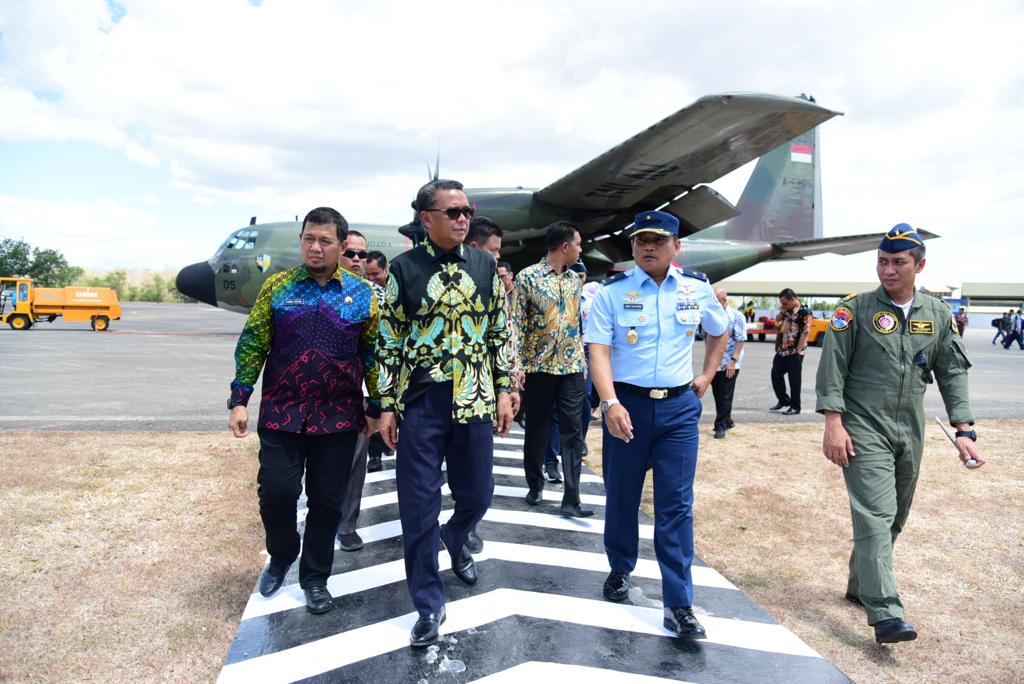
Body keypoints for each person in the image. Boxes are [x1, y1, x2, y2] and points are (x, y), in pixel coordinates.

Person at [816, 223, 984, 645]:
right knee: (875, 512)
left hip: (910, 425)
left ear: (919, 265)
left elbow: (952, 373)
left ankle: (861, 584)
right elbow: (832, 367)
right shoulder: (853, 310)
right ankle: (886, 611)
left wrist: (965, 430)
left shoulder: (938, 313)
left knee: (895, 516)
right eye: (882, 261)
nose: (888, 270)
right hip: (862, 422)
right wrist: (833, 423)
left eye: (898, 263)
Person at [377, 179, 515, 647]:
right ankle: (428, 603)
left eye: (466, 212)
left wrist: (503, 389)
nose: (462, 219)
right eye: (452, 211)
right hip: (422, 403)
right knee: (418, 508)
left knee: (478, 495)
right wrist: (386, 406)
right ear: (427, 219)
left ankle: (456, 538)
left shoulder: (485, 265)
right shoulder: (403, 268)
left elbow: (499, 330)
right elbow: (389, 341)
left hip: (475, 399)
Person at [227, 206, 380, 615]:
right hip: (282, 414)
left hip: (339, 417)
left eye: (325, 241)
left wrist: (379, 404)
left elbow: (373, 353)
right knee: (276, 493)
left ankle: (315, 577)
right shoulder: (278, 288)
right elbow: (253, 343)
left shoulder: (362, 294)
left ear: (342, 245)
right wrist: (239, 399)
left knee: (327, 502)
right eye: (309, 239)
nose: (315, 247)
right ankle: (281, 556)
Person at [587, 209, 727, 639]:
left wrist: (706, 375)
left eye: (658, 240)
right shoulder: (613, 293)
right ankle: (620, 567)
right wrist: (608, 403)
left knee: (676, 506)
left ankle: (679, 603)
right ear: (631, 247)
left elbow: (719, 330)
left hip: (679, 410)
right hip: (626, 407)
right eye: (641, 240)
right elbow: (598, 350)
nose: (648, 247)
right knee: (623, 497)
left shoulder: (696, 289)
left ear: (676, 247)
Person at [514, 221, 591, 517]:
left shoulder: (575, 281)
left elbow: (576, 323)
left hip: (570, 367)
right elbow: (517, 325)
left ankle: (572, 498)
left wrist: (582, 360)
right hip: (538, 368)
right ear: (565, 246)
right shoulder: (527, 278)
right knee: (537, 429)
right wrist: (517, 365)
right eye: (579, 244)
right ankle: (535, 483)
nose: (581, 249)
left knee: (573, 431)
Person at [464, 216, 519, 553]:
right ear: (473, 248)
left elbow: (504, 338)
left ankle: (466, 527)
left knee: (478, 478)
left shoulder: (494, 284)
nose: (497, 258)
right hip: (437, 397)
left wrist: (509, 385)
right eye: (492, 250)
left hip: (483, 393)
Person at [363, 250, 391, 474]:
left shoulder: (397, 290)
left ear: (386, 268)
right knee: (375, 406)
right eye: (368, 275)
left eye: (375, 274)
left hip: (393, 361)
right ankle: (375, 455)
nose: (371, 279)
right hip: (372, 362)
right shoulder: (364, 291)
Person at [769, 288, 812, 415]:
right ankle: (783, 400)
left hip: (795, 352)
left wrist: (799, 350)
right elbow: (777, 327)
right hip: (782, 350)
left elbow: (806, 330)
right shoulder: (786, 311)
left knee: (794, 380)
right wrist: (781, 313)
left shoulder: (805, 312)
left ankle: (795, 407)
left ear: (793, 300)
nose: (783, 305)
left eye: (784, 303)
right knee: (775, 374)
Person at [710, 288, 746, 439]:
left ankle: (720, 426)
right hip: (715, 362)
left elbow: (740, 339)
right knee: (718, 393)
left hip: (730, 362)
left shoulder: (737, 316)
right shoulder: (712, 316)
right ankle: (728, 420)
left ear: (725, 300)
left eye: (718, 300)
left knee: (725, 395)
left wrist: (732, 361)